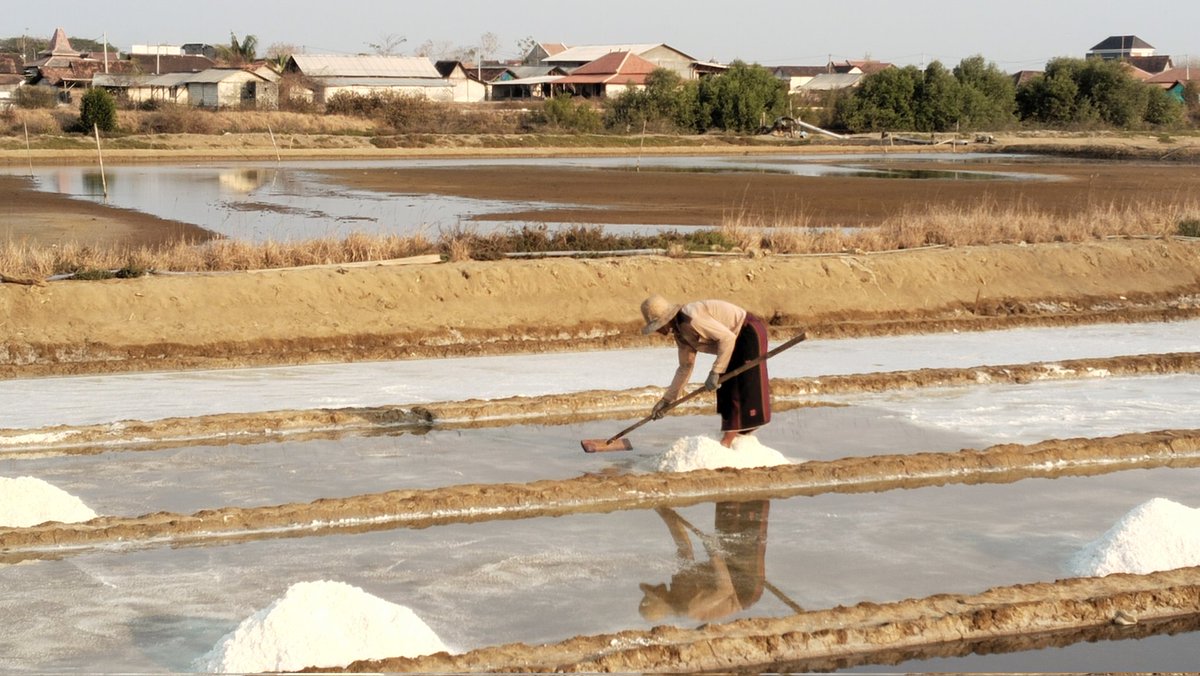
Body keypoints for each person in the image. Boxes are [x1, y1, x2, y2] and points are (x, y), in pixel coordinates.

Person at [639, 294, 771, 448]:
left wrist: (715, 371)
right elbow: (685, 367)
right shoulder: (680, 333)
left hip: (747, 332)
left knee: (738, 385)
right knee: (725, 389)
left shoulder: (692, 318)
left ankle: (728, 442)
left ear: (665, 320)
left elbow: (727, 338)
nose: (657, 331)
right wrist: (667, 400)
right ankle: (739, 438)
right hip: (733, 342)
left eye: (657, 326)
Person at [638, 501, 771, 623]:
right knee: (752, 509)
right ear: (661, 602)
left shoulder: (676, 590)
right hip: (743, 587)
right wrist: (715, 554)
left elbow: (685, 550)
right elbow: (725, 590)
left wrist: (667, 515)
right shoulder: (691, 608)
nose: (654, 588)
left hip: (726, 566)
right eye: (653, 593)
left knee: (727, 505)